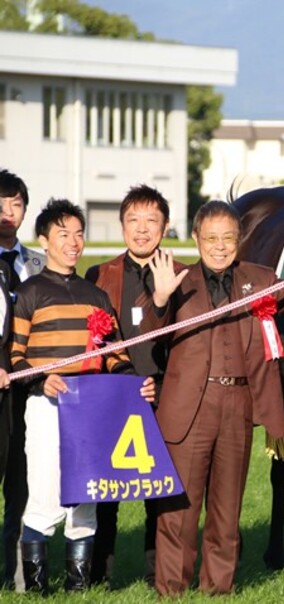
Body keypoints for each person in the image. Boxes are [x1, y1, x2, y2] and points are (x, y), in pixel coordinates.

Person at [143, 200, 284, 596]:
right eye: (211, 238)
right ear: (196, 239)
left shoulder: (260, 278)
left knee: (227, 508)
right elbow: (147, 338)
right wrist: (161, 300)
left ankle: (218, 587)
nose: (220, 246)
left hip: (238, 406)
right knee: (178, 511)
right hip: (187, 410)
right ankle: (171, 588)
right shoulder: (175, 281)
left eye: (229, 238)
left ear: (240, 240)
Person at [10, 199, 155, 594]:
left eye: (78, 234)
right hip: (46, 406)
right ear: (43, 240)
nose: (73, 242)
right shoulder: (28, 293)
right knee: (43, 496)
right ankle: (37, 590)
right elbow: (16, 357)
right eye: (63, 234)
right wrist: (43, 381)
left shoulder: (96, 296)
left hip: (90, 410)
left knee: (86, 499)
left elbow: (114, 354)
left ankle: (78, 590)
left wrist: (134, 383)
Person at [84, 185, 184, 587]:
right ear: (122, 224)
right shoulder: (99, 275)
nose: (142, 230)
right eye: (133, 221)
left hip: (161, 396)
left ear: (165, 227)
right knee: (106, 492)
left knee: (158, 491)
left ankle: (153, 574)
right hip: (112, 395)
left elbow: (186, 347)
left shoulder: (181, 277)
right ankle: (97, 575)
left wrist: (163, 386)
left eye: (151, 221)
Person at [0, 169, 45, 592]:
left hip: (29, 394)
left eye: (15, 204)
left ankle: (16, 578)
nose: (7, 213)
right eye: (0, 205)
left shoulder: (39, 265)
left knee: (23, 487)